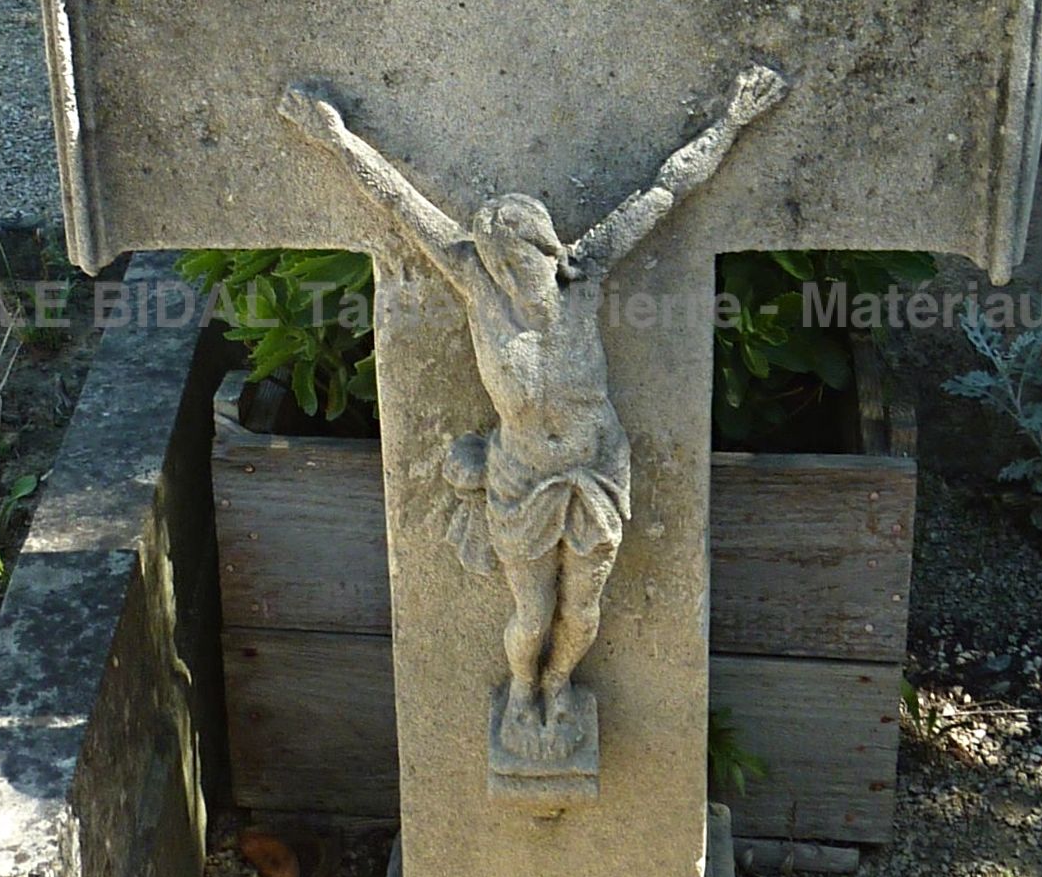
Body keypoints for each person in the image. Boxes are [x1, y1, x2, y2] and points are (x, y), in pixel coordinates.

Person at [279, 64, 789, 761]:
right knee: (530, 611)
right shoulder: (475, 286)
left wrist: (731, 121)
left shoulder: (588, 272)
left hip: (594, 472)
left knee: (582, 609)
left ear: (548, 250)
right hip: (520, 479)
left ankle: (557, 682)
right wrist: (337, 140)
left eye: (521, 261)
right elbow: (399, 201)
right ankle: (522, 688)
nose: (512, 276)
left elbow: (665, 190)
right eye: (499, 264)